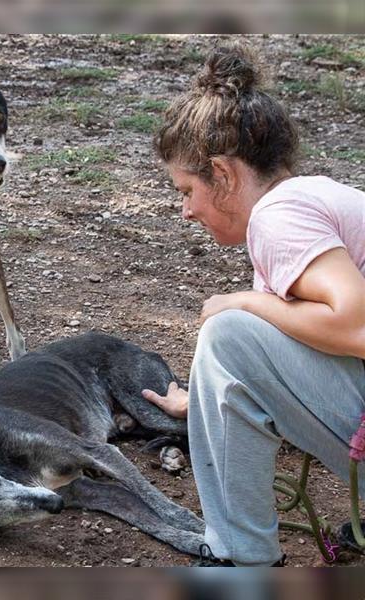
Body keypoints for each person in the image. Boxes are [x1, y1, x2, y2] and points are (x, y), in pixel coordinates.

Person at [141, 43, 365, 567]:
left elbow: (355, 324)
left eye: (187, 189)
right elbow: (300, 347)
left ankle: (240, 560)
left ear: (224, 173)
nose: (185, 211)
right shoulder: (318, 197)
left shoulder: (277, 215)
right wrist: (204, 399)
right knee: (237, 339)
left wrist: (237, 303)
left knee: (229, 333)